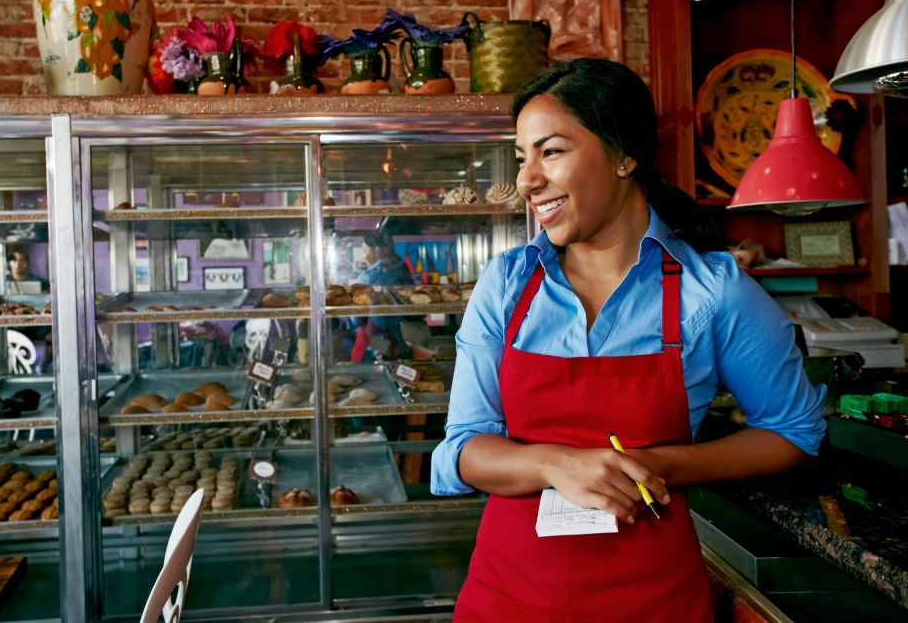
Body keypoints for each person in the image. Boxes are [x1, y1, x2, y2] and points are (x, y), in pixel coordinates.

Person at [429, 58, 826, 622]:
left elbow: (795, 430)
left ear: (624, 155)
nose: (526, 181)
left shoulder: (711, 292)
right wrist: (555, 465)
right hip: (509, 598)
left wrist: (660, 464)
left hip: (655, 603)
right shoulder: (508, 284)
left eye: (552, 151)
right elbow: (462, 447)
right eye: (522, 158)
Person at [349, 230, 415, 361]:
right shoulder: (403, 269)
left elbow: (355, 319)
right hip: (402, 340)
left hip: (379, 339)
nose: (364, 257)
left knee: (378, 370)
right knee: (400, 374)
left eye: (365, 251)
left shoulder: (368, 277)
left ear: (376, 250)